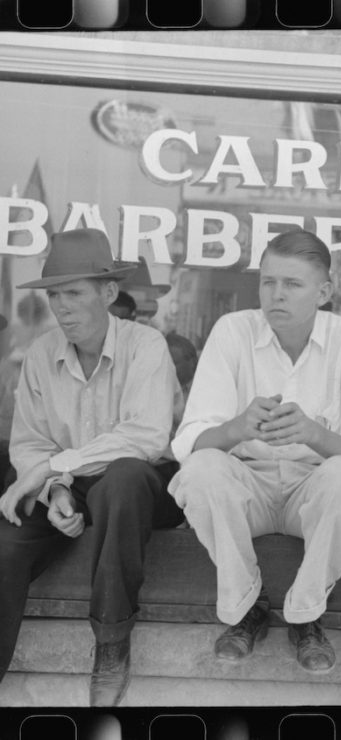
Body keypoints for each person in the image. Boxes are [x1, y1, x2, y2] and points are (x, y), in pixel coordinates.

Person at [168, 229, 341, 672]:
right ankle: (248, 606)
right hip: (247, 486)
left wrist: (314, 434)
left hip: (312, 493)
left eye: (292, 284)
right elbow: (188, 443)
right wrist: (236, 428)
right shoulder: (233, 331)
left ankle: (306, 614)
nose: (276, 294)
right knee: (201, 471)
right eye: (268, 282)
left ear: (324, 292)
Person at [0, 228, 184, 706]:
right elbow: (30, 442)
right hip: (71, 482)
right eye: (54, 295)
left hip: (145, 483)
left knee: (122, 479)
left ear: (108, 293)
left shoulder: (146, 345)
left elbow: (146, 437)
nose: (62, 308)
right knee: (6, 540)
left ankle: (112, 642)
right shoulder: (40, 354)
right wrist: (56, 488)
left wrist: (54, 467)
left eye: (74, 293)